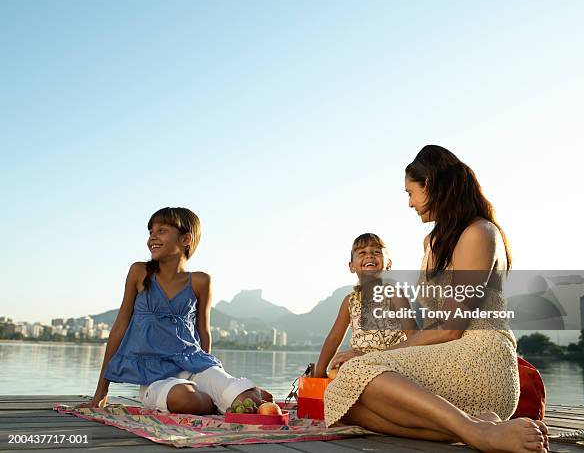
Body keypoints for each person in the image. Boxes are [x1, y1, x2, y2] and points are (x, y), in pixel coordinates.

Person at [323, 146, 549, 453]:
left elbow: (451, 329)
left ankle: (475, 431)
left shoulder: (478, 233)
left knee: (357, 374)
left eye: (410, 192)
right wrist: (375, 357)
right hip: (440, 360)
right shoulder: (432, 242)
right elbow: (432, 330)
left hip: (480, 361)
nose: (409, 203)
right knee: (340, 401)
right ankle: (475, 425)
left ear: (429, 185)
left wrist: (372, 357)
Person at [84, 207, 271, 414]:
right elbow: (120, 328)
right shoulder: (139, 272)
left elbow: (203, 333)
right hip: (155, 378)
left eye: (161, 230)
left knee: (249, 402)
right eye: (150, 231)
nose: (152, 237)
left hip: (195, 365)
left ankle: (233, 393)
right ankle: (222, 397)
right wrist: (101, 392)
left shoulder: (201, 281)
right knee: (186, 400)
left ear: (185, 239)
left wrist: (212, 375)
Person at [313, 233, 411, 378]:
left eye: (376, 252)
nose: (370, 255)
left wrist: (367, 356)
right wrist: (319, 373)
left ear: (388, 264)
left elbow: (414, 338)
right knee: (336, 372)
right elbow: (334, 338)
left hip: (391, 365)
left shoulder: (395, 295)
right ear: (351, 266)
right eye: (362, 252)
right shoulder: (350, 301)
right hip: (358, 364)